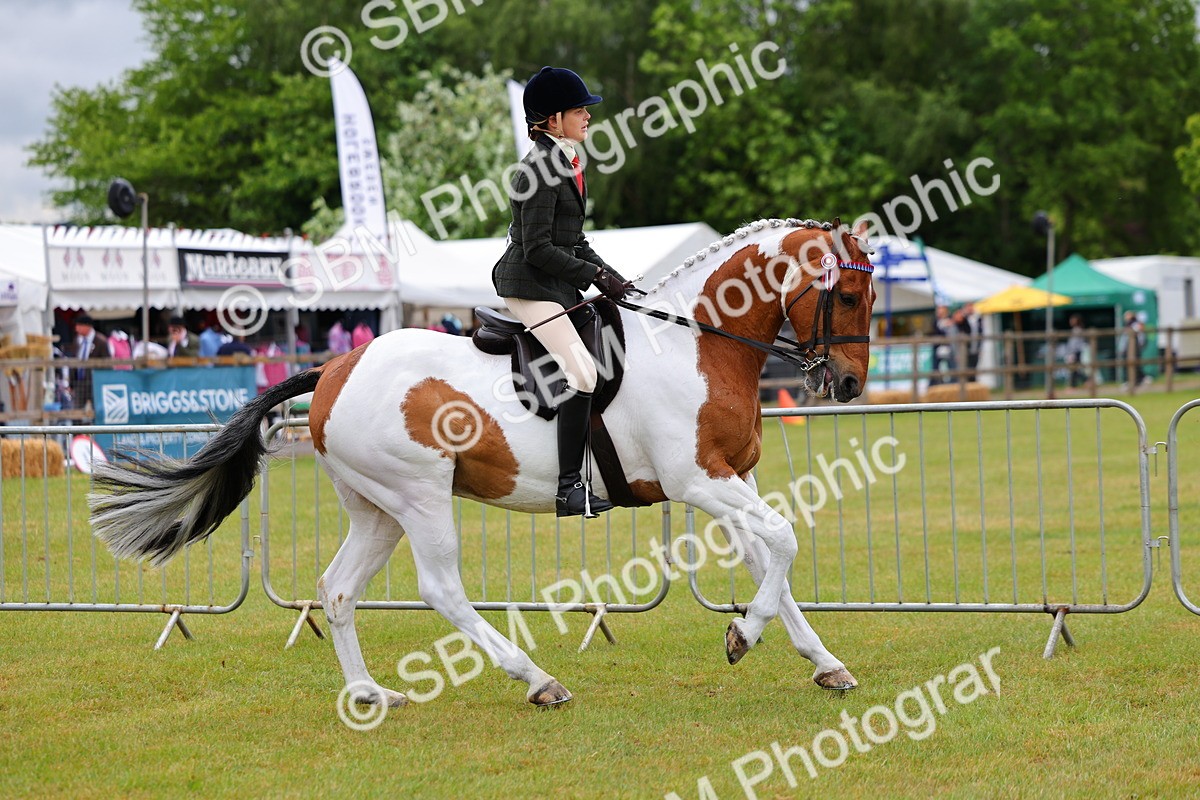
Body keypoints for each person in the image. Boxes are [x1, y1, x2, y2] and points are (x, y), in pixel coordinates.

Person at [492, 66, 634, 518]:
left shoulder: (567, 162)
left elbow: (574, 240)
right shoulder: (536, 170)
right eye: (579, 110)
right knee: (584, 374)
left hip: (554, 282)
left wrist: (614, 277)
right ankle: (568, 489)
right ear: (551, 120)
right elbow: (536, 249)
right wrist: (594, 276)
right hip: (529, 285)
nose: (588, 116)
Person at [70, 313, 109, 410]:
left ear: (87, 326)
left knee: (97, 409)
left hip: (95, 381)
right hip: (79, 382)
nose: (76, 329)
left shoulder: (101, 341)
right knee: (77, 410)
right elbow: (74, 361)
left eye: (79, 326)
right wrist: (72, 382)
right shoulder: (77, 340)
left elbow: (108, 363)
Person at [1065, 314, 1087, 387]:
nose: (1071, 321)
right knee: (1074, 369)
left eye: (1073, 320)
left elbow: (1076, 344)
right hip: (1073, 352)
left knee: (1074, 369)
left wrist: (1072, 352)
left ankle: (1086, 380)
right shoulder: (1074, 330)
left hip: (1075, 352)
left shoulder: (1078, 330)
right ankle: (1086, 381)